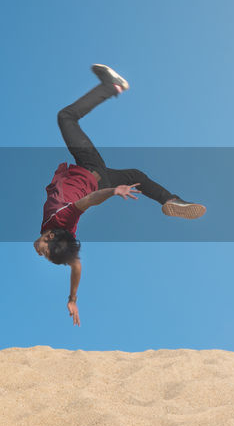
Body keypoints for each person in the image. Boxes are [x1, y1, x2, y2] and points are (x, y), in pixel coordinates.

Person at [34, 65, 205, 325]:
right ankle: (111, 86)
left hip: (97, 177)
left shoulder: (65, 235)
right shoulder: (62, 219)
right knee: (65, 117)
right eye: (45, 252)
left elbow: (76, 265)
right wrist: (113, 191)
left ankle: (171, 200)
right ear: (50, 236)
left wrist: (73, 298)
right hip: (91, 169)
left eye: (45, 253)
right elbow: (87, 203)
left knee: (136, 174)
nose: (40, 253)